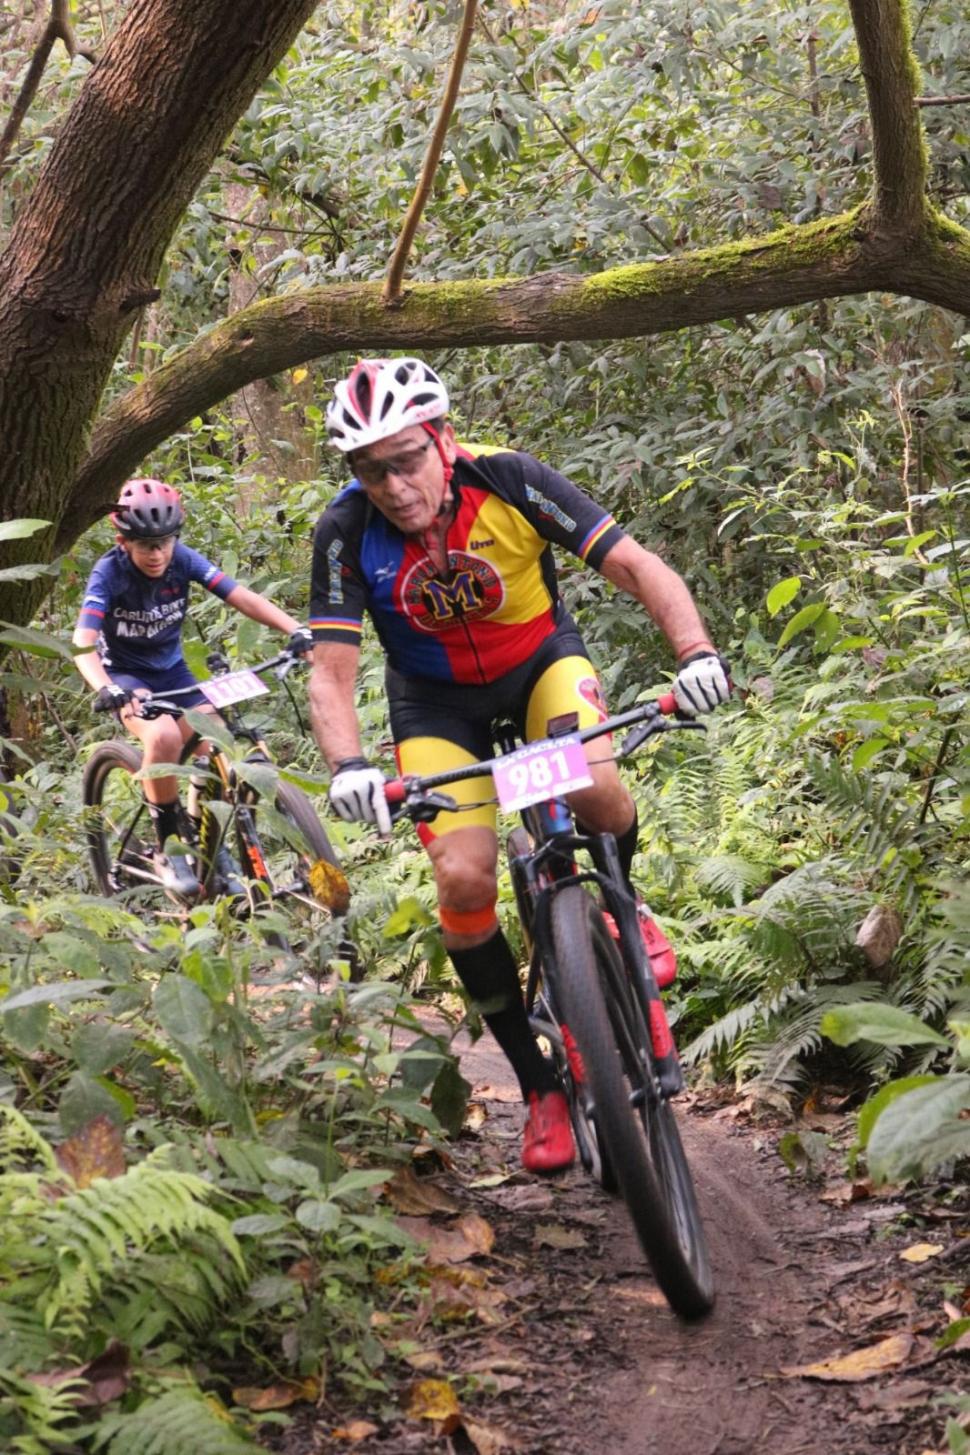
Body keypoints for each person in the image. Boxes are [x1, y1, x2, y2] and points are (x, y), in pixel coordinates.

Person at [308, 358, 730, 1174]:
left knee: (587, 779)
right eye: (370, 468)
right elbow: (330, 670)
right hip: (436, 707)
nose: (392, 485)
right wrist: (349, 763)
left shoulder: (510, 480)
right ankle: (540, 1086)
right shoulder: (344, 530)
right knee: (462, 882)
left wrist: (697, 651)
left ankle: (622, 899)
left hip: (539, 667)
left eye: (405, 459)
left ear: (443, 440)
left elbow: (637, 565)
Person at [74, 477, 312, 895]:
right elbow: (83, 641)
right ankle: (168, 842)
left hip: (174, 674)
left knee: (213, 744)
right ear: (123, 541)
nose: (158, 554)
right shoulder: (108, 573)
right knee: (163, 735)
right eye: (146, 545)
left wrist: (296, 629)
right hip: (126, 678)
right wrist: (104, 687)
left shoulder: (182, 559)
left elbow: (240, 596)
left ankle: (212, 846)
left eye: (165, 542)